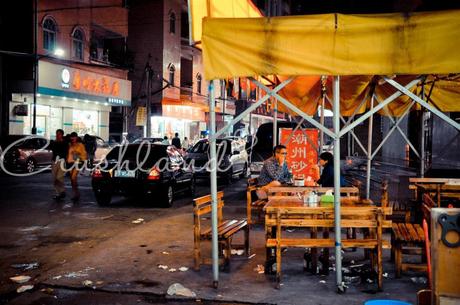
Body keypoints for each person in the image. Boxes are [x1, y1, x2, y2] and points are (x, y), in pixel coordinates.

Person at [67, 132, 87, 202]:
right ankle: (76, 193)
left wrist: (84, 162)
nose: (72, 138)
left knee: (73, 177)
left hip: (77, 163)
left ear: (76, 137)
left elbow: (84, 154)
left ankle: (76, 194)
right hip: (70, 163)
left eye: (74, 137)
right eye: (71, 137)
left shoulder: (80, 145)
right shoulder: (69, 145)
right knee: (72, 180)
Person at [50, 129, 68, 200]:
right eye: (57, 133)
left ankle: (62, 191)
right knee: (54, 178)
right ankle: (58, 193)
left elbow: (66, 153)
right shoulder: (54, 142)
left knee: (59, 177)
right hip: (54, 161)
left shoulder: (65, 143)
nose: (57, 135)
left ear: (62, 135)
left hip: (62, 162)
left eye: (59, 134)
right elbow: (52, 150)